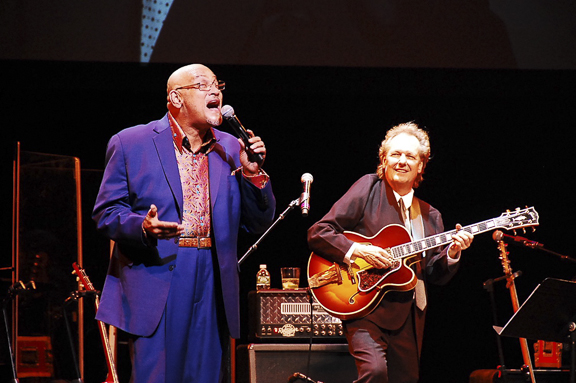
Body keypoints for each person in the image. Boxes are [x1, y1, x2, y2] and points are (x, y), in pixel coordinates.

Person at [92, 63, 276, 382]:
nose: (215, 91)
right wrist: (143, 227)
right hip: (157, 271)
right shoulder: (130, 142)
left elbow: (258, 224)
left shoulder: (233, 148)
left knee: (205, 375)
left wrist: (252, 173)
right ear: (177, 98)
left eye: (217, 84)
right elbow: (106, 212)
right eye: (203, 85)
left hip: (213, 277)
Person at [307, 122, 473, 383]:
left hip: (408, 315)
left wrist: (452, 252)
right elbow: (320, 232)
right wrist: (357, 250)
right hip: (363, 306)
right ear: (383, 160)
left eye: (410, 156)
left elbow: (435, 274)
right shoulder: (369, 187)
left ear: (421, 165)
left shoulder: (430, 215)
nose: (402, 161)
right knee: (374, 372)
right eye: (395, 154)